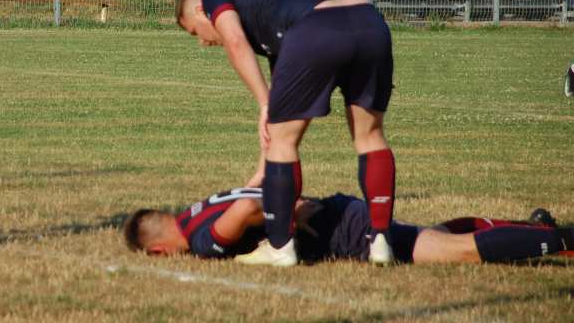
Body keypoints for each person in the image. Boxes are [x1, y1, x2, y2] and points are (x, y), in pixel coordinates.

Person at [175, 0, 396, 267]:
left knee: (284, 142)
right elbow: (282, 70)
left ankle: (280, 247)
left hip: (317, 27)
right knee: (370, 135)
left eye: (195, 31)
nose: (202, 41)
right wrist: (260, 172)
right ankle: (380, 241)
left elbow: (236, 42)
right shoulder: (265, 2)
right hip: (370, 21)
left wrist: (264, 102)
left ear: (202, 10)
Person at [124, 188, 574, 265]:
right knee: (426, 238)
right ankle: (530, 227)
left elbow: (244, 207)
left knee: (448, 252)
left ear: (158, 250)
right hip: (342, 216)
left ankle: (558, 240)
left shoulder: (202, 240)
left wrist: (287, 213)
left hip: (342, 230)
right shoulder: (192, 211)